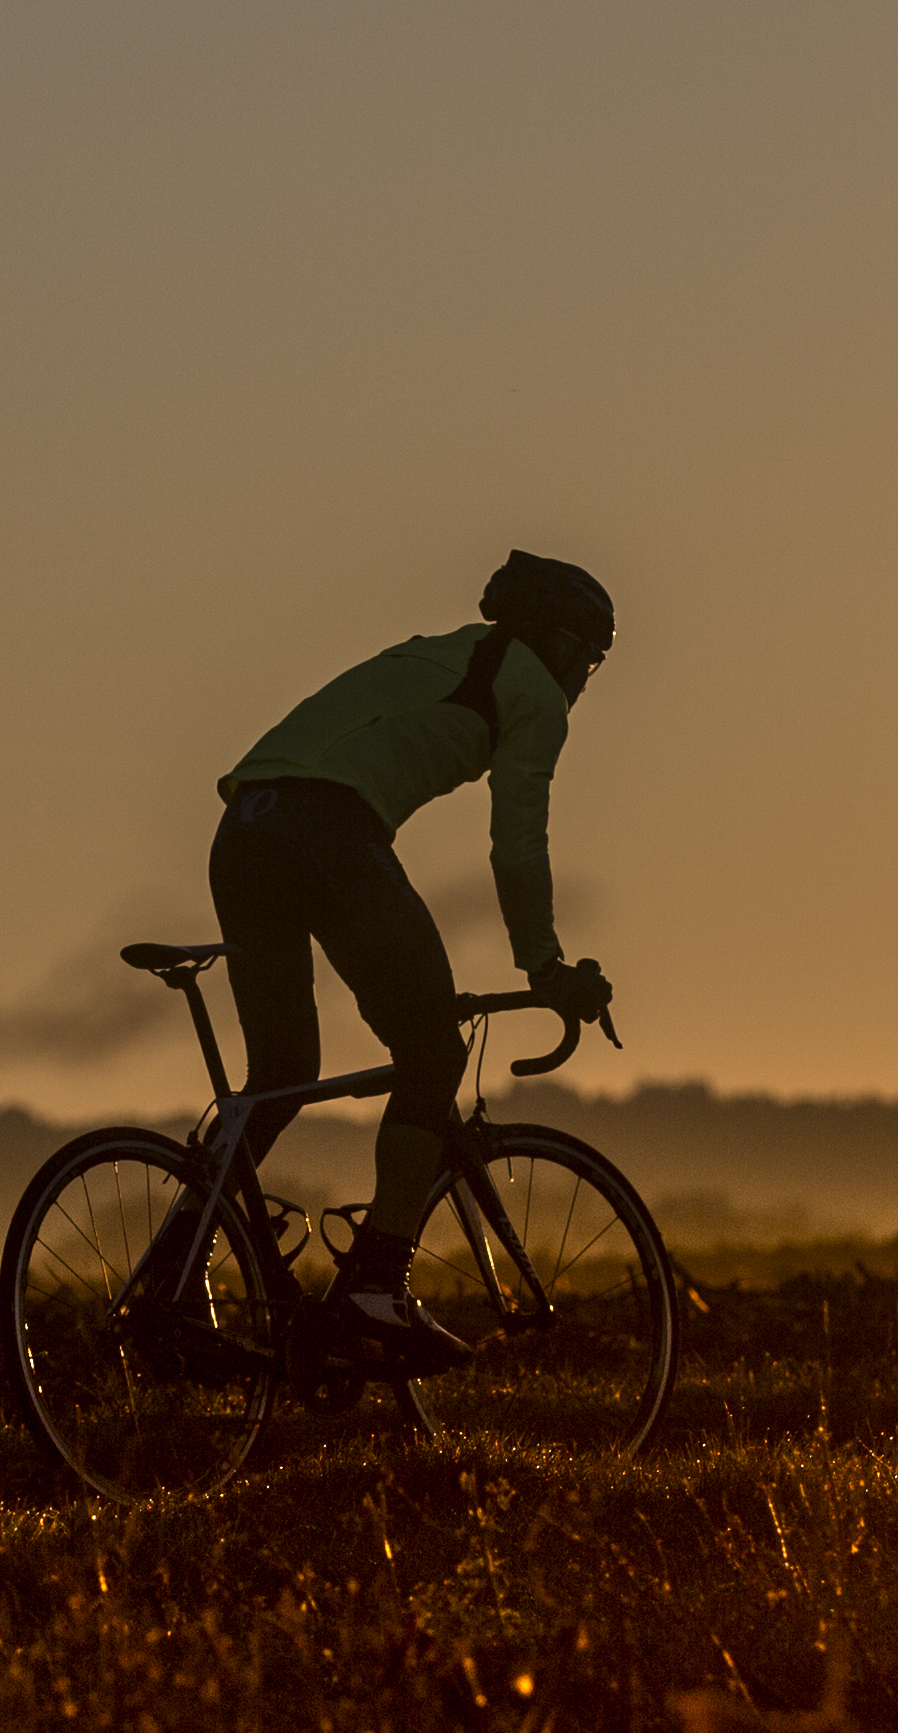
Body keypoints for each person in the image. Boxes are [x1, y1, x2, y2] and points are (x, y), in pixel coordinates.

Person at [198, 549, 619, 1368]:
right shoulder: (532, 687)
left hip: (245, 825)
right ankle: (376, 1283)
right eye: (591, 657)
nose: (586, 677)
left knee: (281, 1073)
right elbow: (518, 844)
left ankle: (170, 1277)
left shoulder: (450, 648)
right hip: (327, 829)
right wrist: (545, 968)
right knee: (432, 1050)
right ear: (561, 642)